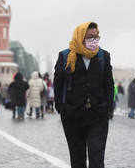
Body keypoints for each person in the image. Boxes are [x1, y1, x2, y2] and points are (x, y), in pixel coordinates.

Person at [54, 22, 114, 168]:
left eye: (96, 36)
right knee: (77, 160)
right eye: (90, 37)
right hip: (72, 117)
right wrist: (62, 108)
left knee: (97, 160)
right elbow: (58, 84)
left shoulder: (103, 56)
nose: (94, 40)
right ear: (80, 37)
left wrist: (107, 108)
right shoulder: (65, 56)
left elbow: (109, 85)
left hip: (97, 116)